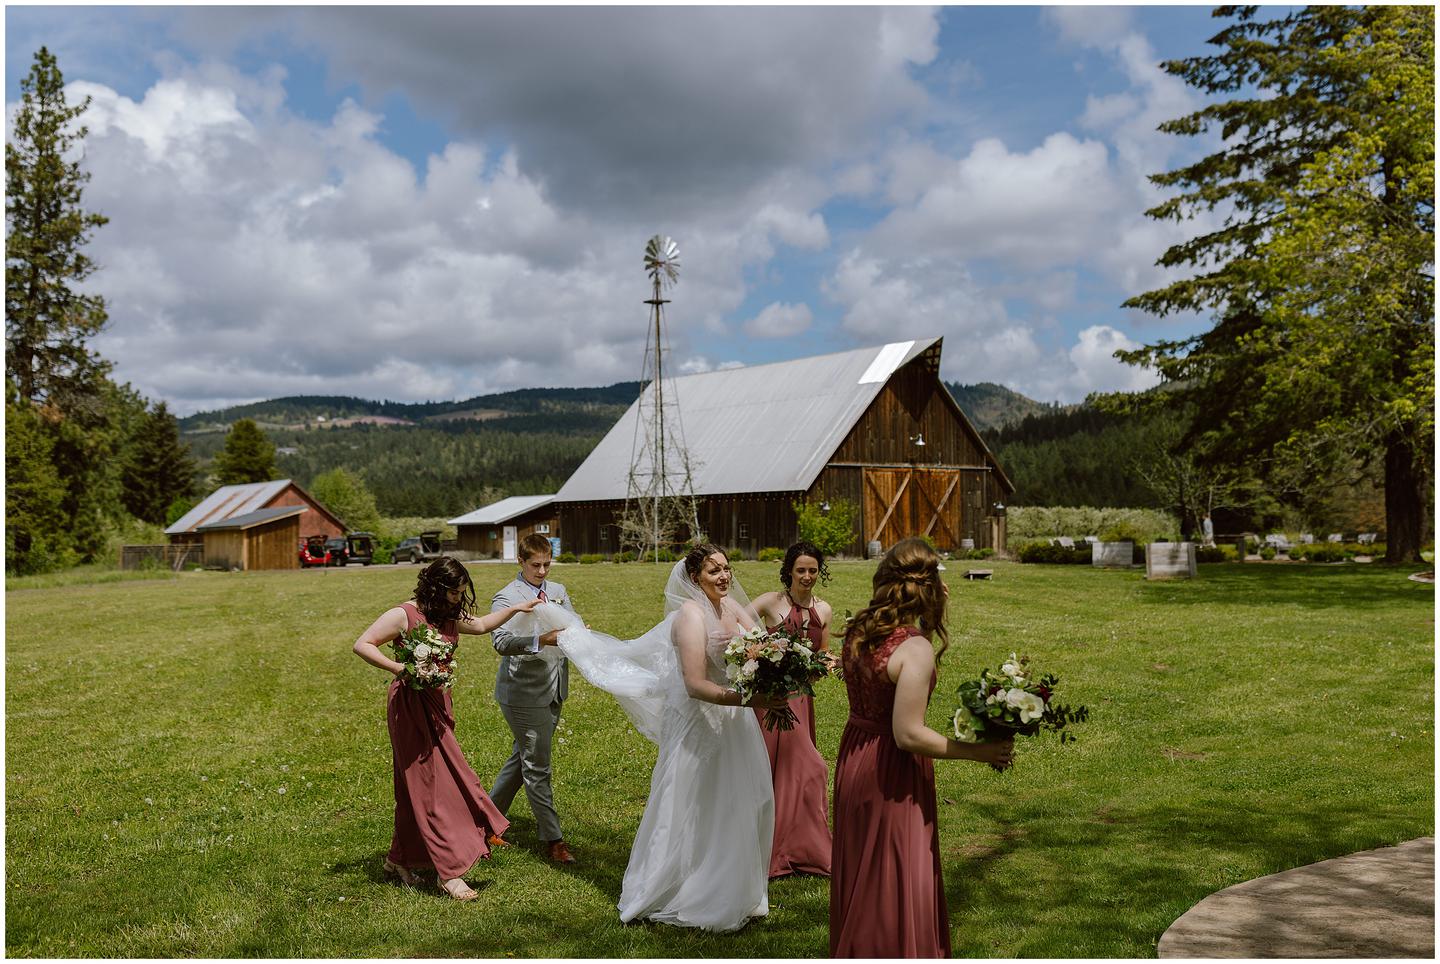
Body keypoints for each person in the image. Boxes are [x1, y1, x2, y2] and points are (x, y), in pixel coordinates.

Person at [830, 538, 1014, 957]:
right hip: (890, 772)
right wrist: (979, 752)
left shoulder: (860, 631)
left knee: (865, 874)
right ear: (930, 589)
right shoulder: (915, 649)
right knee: (894, 876)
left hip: (856, 757)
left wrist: (925, 624)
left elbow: (888, 682)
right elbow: (908, 734)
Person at [352, 556, 542, 900]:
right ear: (437, 588)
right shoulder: (403, 615)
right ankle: (449, 872)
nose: (458, 598)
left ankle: (399, 859)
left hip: (439, 704)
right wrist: (401, 668)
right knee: (432, 787)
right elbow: (362, 644)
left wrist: (517, 609)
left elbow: (483, 625)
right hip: (410, 707)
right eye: (453, 592)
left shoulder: (448, 616)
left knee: (418, 786)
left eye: (460, 592)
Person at [488, 533, 578, 865]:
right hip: (523, 693)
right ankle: (554, 839)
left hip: (554, 687)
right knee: (537, 767)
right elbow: (500, 642)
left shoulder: (557, 591)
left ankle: (486, 821)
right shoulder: (506, 597)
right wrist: (541, 639)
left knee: (522, 758)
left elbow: (571, 624)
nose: (542, 572)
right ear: (521, 562)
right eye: (535, 565)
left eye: (547, 564)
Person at [749, 540, 835, 878]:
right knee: (782, 769)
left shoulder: (823, 610)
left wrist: (825, 664)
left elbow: (824, 652)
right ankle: (774, 849)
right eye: (801, 570)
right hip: (771, 699)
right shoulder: (771, 602)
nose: (807, 576)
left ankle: (798, 847)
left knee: (796, 771)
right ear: (790, 571)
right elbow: (737, 623)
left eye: (813, 570)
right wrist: (754, 653)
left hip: (801, 697)